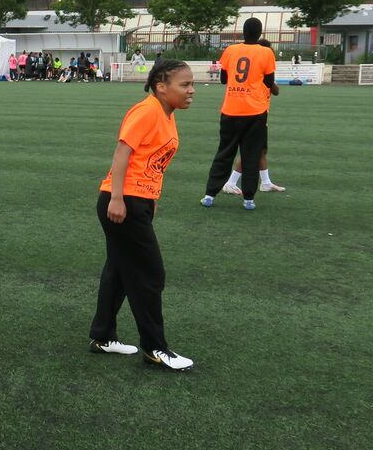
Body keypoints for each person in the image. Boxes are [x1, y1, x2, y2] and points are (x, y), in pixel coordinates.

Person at [90, 60, 196, 372]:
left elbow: (149, 161)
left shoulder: (166, 113)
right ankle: (155, 349)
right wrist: (120, 198)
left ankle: (102, 336)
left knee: (120, 272)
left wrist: (151, 198)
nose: (192, 90)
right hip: (122, 202)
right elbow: (122, 153)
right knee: (150, 275)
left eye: (192, 84)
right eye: (185, 84)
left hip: (138, 200)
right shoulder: (147, 110)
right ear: (161, 87)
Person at [201, 18, 278, 210]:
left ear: (243, 32)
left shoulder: (231, 50)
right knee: (251, 155)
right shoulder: (266, 52)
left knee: (224, 153)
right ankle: (248, 199)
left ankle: (209, 195)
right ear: (260, 33)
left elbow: (224, 79)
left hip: (230, 109)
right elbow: (269, 82)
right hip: (255, 111)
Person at [222, 38, 284, 194]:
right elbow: (275, 90)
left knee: (261, 151)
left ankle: (266, 182)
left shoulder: (256, 71)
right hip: (255, 115)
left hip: (259, 115)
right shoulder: (259, 73)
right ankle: (231, 182)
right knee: (250, 150)